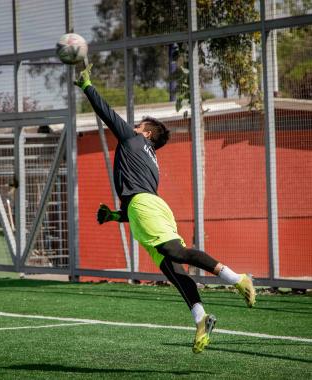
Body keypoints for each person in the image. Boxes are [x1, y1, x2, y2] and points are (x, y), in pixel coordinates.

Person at [74, 64, 256, 354]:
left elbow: (106, 113)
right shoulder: (150, 161)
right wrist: (114, 216)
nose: (132, 128)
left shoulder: (133, 139)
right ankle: (201, 319)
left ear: (146, 134)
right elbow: (136, 201)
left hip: (146, 206)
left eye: (137, 126)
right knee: (172, 269)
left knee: (175, 253)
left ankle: (236, 278)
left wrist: (86, 85)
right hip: (149, 207)